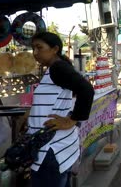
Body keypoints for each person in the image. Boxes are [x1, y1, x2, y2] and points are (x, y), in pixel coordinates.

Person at [29, 32, 94, 187]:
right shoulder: (54, 68)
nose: (35, 53)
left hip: (51, 149)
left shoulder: (57, 68)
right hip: (55, 146)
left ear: (55, 49)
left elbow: (86, 90)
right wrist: (30, 114)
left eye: (39, 47)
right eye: (33, 48)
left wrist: (72, 120)